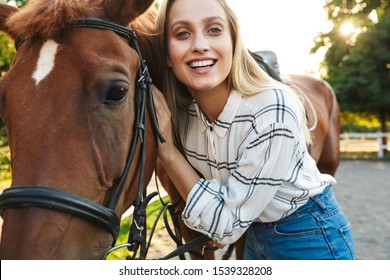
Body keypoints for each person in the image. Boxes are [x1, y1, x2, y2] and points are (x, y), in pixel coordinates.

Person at [152, 0, 355, 260]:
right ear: (167, 54)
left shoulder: (272, 110)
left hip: (308, 236)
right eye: (182, 33)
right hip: (255, 233)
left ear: (234, 41)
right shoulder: (181, 116)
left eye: (214, 30)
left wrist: (167, 151)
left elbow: (225, 227)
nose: (200, 45)